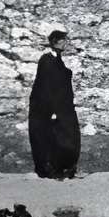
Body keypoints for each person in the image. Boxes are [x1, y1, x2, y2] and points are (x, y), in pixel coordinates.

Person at [28, 28, 80, 179]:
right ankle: (51, 170)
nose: (66, 43)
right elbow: (46, 87)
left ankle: (64, 168)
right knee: (50, 137)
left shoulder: (57, 59)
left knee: (67, 135)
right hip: (49, 107)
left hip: (62, 106)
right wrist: (52, 110)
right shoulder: (47, 60)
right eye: (63, 40)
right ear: (55, 42)